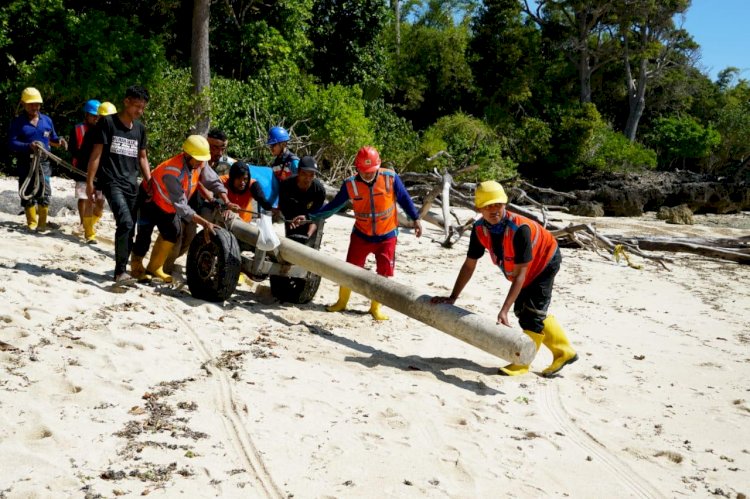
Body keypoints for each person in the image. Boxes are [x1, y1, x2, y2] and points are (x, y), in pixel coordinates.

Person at [431, 181, 578, 377]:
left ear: (505, 205)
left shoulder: (520, 230)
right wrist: (453, 297)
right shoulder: (479, 229)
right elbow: (469, 265)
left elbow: (520, 275)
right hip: (526, 267)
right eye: (488, 206)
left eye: (497, 205)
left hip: (546, 260)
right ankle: (565, 351)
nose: (494, 210)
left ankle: (523, 362)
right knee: (524, 310)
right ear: (479, 208)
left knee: (531, 314)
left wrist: (504, 310)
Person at [306, 146, 422, 321]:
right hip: (361, 234)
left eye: (371, 171)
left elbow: (405, 198)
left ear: (379, 165)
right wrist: (311, 216)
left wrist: (416, 219)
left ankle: (375, 308)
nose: (367, 174)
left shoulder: (390, 178)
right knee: (350, 269)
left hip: (387, 235)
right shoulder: (350, 184)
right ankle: (342, 302)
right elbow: (333, 206)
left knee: (384, 272)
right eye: (363, 171)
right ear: (356, 168)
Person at [130, 135, 239, 283]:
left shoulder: (199, 163)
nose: (201, 162)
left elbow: (213, 181)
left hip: (168, 205)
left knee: (173, 232)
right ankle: (136, 268)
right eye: (198, 159)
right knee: (144, 235)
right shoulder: (172, 171)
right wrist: (205, 223)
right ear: (187, 155)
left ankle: (154, 267)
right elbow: (182, 207)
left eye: (202, 159)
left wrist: (227, 201)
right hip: (149, 201)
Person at [86, 85, 151, 284]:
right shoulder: (107, 123)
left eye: (142, 108)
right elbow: (96, 154)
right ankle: (120, 272)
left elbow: (142, 158)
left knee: (130, 229)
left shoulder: (140, 129)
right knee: (125, 222)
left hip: (132, 184)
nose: (139, 111)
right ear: (126, 102)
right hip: (111, 181)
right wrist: (90, 182)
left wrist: (150, 183)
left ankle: (124, 269)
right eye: (136, 106)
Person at [7, 87, 68, 231]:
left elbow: (52, 138)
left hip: (44, 162)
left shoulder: (47, 120)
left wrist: (60, 141)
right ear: (23, 103)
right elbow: (11, 143)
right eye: (31, 104)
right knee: (27, 191)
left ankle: (42, 223)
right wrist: (29, 146)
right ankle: (31, 222)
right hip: (25, 162)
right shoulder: (17, 122)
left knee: (45, 191)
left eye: (37, 104)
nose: (35, 107)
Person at [69, 99, 100, 242]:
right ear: (86, 115)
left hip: (99, 170)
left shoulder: (103, 130)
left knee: (99, 200)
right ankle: (83, 222)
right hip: (81, 167)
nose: (95, 118)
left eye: (97, 116)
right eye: (93, 115)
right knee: (83, 197)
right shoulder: (77, 129)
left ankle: (90, 224)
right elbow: (72, 149)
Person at [280, 155, 326, 241]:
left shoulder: (319, 190)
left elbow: (317, 214)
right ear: (298, 172)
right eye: (304, 174)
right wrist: (291, 220)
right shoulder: (286, 185)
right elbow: (284, 207)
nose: (308, 179)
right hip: (292, 220)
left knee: (309, 246)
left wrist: (308, 234)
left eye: (312, 175)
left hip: (311, 221)